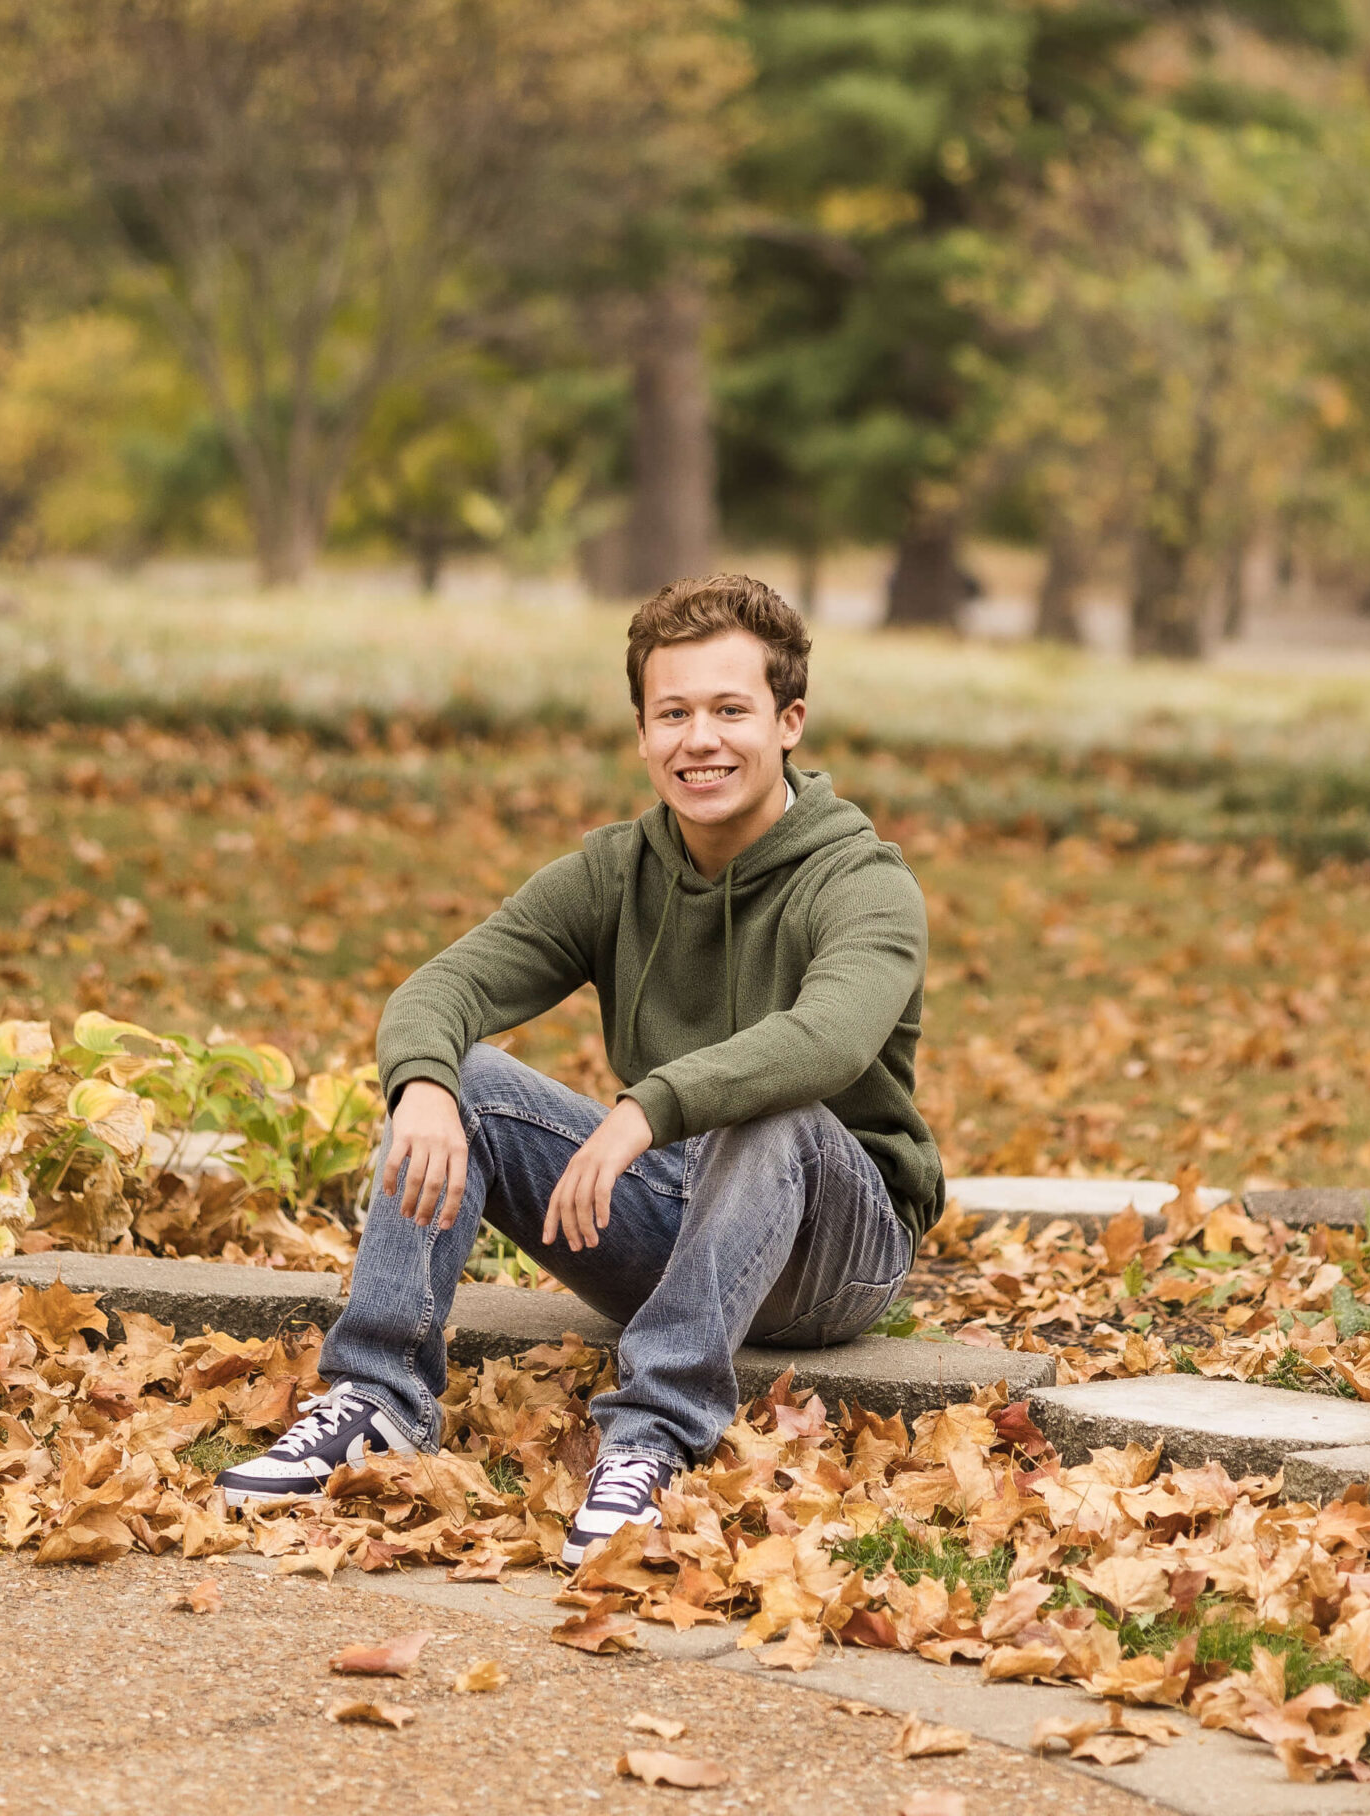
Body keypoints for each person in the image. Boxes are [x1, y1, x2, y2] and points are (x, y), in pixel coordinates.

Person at [218, 573, 942, 1566]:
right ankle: (378, 1394)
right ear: (642, 734)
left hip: (833, 1251)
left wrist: (646, 1109)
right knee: (461, 1075)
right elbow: (442, 988)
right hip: (682, 1217)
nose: (700, 740)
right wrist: (423, 1085)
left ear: (789, 722)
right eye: (672, 713)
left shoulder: (861, 881)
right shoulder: (617, 871)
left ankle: (648, 1438)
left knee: (774, 1108)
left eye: (730, 710)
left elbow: (828, 1038)